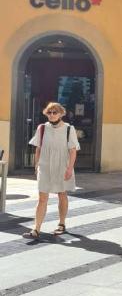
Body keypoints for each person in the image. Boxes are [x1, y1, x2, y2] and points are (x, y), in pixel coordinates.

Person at [23, 102, 80, 239]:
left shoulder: (69, 129)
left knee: (62, 194)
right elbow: (38, 148)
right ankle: (36, 229)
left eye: (55, 112)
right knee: (42, 198)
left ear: (61, 113)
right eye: (49, 112)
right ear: (46, 113)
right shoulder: (42, 128)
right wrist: (36, 165)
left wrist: (69, 169)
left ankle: (61, 224)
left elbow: (73, 151)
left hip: (62, 166)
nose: (52, 115)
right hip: (45, 166)